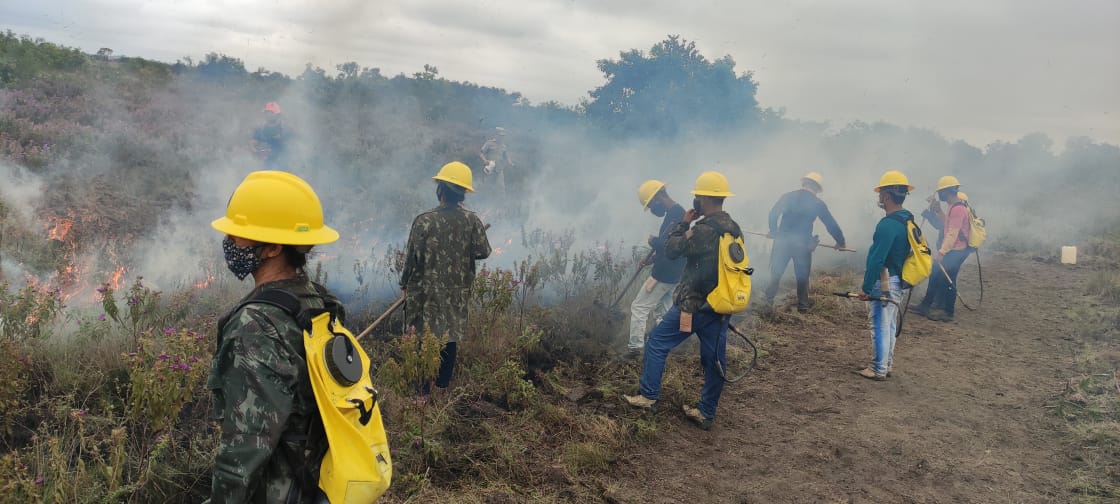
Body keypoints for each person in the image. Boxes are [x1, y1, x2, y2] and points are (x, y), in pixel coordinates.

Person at [208, 170, 342, 502]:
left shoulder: (255, 326)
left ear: (272, 248)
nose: (229, 244)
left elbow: (245, 453)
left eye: (239, 236)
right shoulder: (319, 302)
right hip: (318, 486)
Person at [624, 171, 742, 430]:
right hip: (720, 305)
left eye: (698, 196)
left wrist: (685, 223)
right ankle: (706, 412)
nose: (695, 200)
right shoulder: (733, 228)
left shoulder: (703, 230)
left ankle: (648, 396)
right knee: (714, 361)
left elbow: (672, 248)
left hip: (694, 303)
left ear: (704, 199)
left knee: (656, 342)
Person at [400, 161, 492, 391]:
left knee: (423, 335)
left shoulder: (424, 220)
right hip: (456, 291)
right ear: (462, 194)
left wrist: (404, 284)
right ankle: (442, 385)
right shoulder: (472, 220)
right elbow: (483, 251)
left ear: (440, 189)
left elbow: (412, 258)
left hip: (425, 293)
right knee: (450, 334)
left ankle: (421, 391)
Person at [856, 170, 914, 381]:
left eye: (880, 193)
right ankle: (886, 364)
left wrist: (865, 286)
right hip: (897, 280)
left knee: (880, 325)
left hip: (884, 281)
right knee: (888, 324)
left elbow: (876, 259)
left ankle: (877, 368)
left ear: (887, 196)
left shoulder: (887, 225)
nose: (879, 197)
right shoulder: (907, 219)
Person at [763, 171, 846, 313]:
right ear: (817, 188)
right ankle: (803, 307)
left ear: (804, 183)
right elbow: (830, 224)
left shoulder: (787, 197)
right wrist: (840, 242)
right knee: (802, 276)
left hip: (782, 241)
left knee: (776, 273)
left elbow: (773, 214)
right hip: (802, 244)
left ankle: (767, 302)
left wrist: (774, 231)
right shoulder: (817, 203)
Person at [627, 180, 686, 357]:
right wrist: (651, 259)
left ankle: (635, 348)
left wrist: (654, 241)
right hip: (674, 273)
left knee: (639, 307)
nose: (652, 208)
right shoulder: (676, 213)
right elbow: (670, 249)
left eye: (651, 204)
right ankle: (663, 345)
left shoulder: (677, 214)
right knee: (663, 311)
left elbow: (671, 246)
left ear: (658, 197)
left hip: (664, 274)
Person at [911, 176, 972, 322]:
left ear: (948, 191)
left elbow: (952, 234)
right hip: (954, 249)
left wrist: (941, 252)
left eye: (941, 192)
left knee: (948, 279)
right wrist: (937, 210)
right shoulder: (953, 205)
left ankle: (948, 313)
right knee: (936, 274)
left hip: (957, 250)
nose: (939, 195)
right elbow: (946, 224)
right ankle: (926, 305)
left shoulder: (958, 209)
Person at [251, 101, 291, 169]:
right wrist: (257, 152)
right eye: (267, 113)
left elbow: (294, 146)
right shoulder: (260, 129)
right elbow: (253, 143)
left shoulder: (285, 129)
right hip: (264, 165)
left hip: (283, 165)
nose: (269, 115)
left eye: (271, 113)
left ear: (278, 115)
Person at [478, 127, 514, 195]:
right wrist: (485, 160)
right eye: (500, 136)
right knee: (487, 186)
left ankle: (502, 203)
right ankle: (484, 199)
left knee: (501, 188)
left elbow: (506, 156)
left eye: (503, 136)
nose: (501, 137)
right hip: (490, 169)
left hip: (499, 169)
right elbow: (481, 152)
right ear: (496, 135)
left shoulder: (504, 146)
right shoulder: (489, 143)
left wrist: (510, 163)